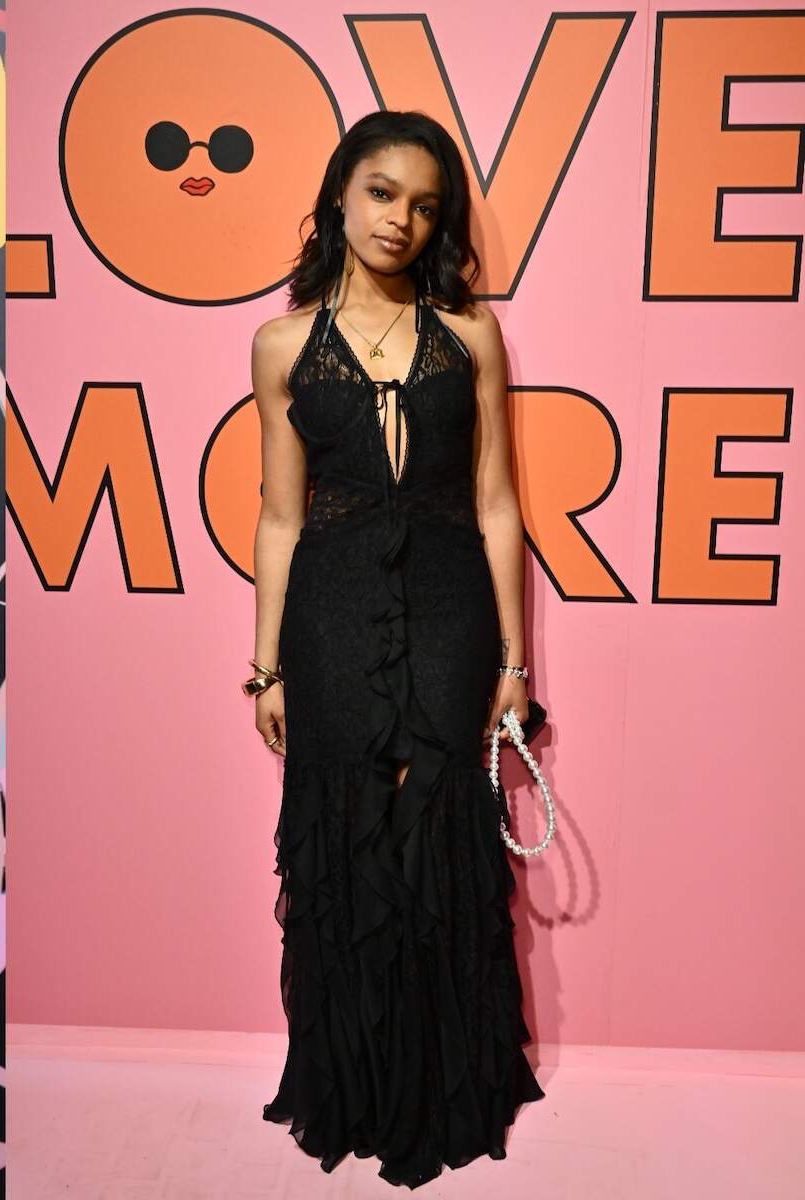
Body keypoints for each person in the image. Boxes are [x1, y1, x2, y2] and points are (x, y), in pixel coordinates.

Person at [246, 109, 547, 1188]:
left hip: (450, 601)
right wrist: (267, 663)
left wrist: (514, 663)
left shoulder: (472, 335)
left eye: (424, 205)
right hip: (324, 613)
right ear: (340, 195)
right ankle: (351, 1082)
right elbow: (280, 517)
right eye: (382, 193)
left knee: (435, 828)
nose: (400, 220)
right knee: (342, 838)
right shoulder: (281, 343)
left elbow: (498, 504)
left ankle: (443, 1083)